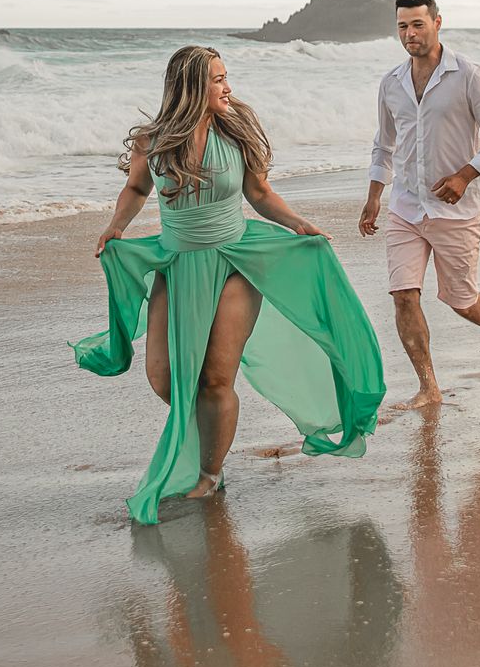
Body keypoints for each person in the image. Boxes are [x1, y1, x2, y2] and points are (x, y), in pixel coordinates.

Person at [75, 45, 385, 525]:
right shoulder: (152, 142)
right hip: (178, 262)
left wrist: (298, 224)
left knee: (217, 376)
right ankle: (202, 443)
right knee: (165, 379)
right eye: (218, 79)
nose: (228, 87)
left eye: (226, 77)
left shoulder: (234, 131)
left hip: (238, 257)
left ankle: (209, 472)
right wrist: (116, 226)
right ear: (192, 87)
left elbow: (258, 194)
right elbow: (137, 188)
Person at [359, 0, 480, 408]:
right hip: (405, 207)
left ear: (437, 23)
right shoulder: (391, 83)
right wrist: (375, 196)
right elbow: (384, 145)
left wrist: (466, 175)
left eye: (417, 24)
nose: (409, 33)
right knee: (403, 294)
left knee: (461, 301)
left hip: (455, 210)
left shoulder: (469, 75)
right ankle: (428, 387)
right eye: (402, 26)